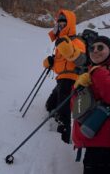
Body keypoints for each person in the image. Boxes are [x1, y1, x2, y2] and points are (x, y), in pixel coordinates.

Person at [71, 35, 110, 174]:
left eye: (100, 47)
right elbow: (76, 110)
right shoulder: (88, 73)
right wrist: (78, 89)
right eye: (92, 48)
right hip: (92, 140)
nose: (95, 50)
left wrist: (97, 72)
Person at [43, 9, 86, 143]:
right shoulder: (60, 42)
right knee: (50, 105)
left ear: (69, 24)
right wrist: (48, 62)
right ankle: (58, 117)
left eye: (63, 24)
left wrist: (67, 49)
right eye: (59, 23)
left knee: (64, 109)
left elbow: (82, 60)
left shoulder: (77, 41)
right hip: (61, 79)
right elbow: (57, 64)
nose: (61, 26)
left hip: (71, 79)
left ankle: (64, 137)